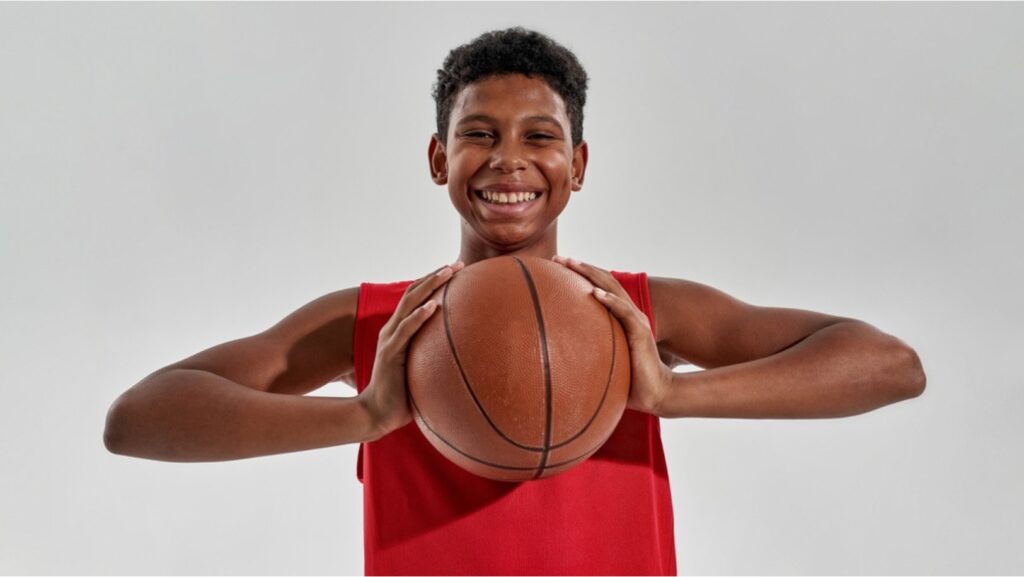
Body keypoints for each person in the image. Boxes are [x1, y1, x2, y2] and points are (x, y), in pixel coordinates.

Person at [104, 28, 927, 576]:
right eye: (478, 133)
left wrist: (673, 393)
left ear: (578, 161)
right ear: (438, 156)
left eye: (539, 136)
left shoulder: (637, 312)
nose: (508, 160)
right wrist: (367, 415)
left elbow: (890, 366)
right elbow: (137, 417)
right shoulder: (378, 322)